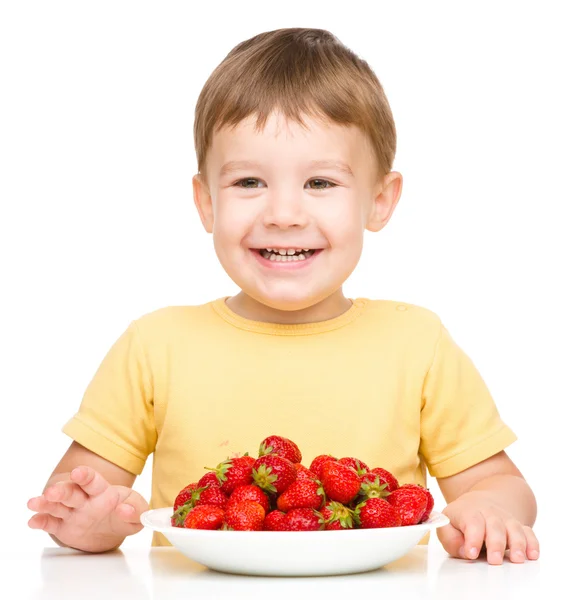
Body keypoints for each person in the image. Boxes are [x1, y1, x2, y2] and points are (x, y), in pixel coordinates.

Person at [27, 27, 538, 565]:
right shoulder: (155, 344)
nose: (284, 214)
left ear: (380, 202)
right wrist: (90, 519)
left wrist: (488, 509)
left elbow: (500, 482)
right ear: (206, 203)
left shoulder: (417, 342)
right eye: (249, 182)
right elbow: (78, 494)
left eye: (320, 183)